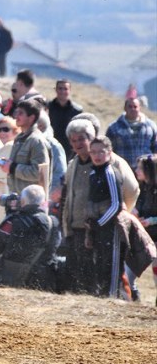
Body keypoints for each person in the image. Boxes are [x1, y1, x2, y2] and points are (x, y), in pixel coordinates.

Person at [60, 118, 140, 294]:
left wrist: (117, 215)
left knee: (105, 272)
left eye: (82, 139)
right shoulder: (73, 164)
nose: (78, 144)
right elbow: (69, 196)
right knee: (83, 275)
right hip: (79, 228)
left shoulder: (111, 163)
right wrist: (67, 227)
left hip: (103, 228)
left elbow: (132, 189)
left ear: (91, 138)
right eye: (74, 140)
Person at [0, 185, 60, 290]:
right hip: (40, 284)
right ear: (43, 201)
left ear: (23, 201)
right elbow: (52, 250)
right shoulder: (53, 223)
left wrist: (8, 216)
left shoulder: (13, 222)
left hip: (9, 282)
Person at [86, 136, 127, 297]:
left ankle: (112, 296)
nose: (97, 156)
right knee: (100, 263)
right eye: (93, 152)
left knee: (112, 264)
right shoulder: (93, 173)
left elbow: (116, 204)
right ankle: (102, 295)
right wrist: (90, 224)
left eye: (101, 152)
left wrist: (100, 223)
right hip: (98, 228)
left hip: (111, 228)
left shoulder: (110, 173)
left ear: (109, 153)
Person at [2, 99, 51, 194]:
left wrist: (13, 168)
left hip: (32, 201)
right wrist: (7, 164)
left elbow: (39, 172)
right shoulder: (19, 139)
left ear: (31, 118)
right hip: (17, 198)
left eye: (21, 113)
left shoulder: (36, 141)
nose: (16, 116)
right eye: (17, 112)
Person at [105, 97, 157, 170]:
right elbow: (108, 149)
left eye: (135, 107)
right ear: (125, 108)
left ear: (139, 108)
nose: (133, 109)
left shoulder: (150, 126)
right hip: (123, 170)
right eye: (130, 106)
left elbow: (155, 147)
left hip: (146, 171)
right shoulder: (114, 128)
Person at [132, 154, 157, 305]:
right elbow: (137, 208)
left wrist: (150, 221)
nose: (136, 171)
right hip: (145, 238)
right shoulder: (142, 189)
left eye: (140, 168)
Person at [47, 80, 83, 159]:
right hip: (50, 146)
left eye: (65, 89)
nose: (62, 91)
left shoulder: (77, 110)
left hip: (69, 150)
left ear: (69, 90)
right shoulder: (48, 107)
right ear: (55, 89)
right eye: (60, 88)